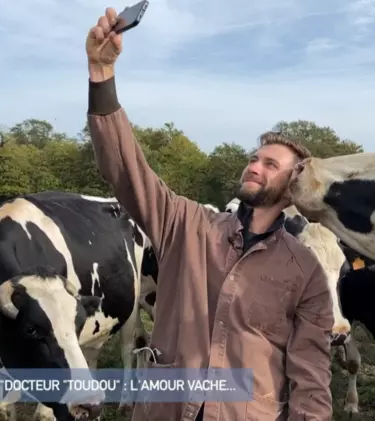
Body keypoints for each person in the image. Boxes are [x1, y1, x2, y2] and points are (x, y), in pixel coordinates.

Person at [85, 7, 334, 421]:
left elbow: (311, 373)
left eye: (270, 165)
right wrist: (101, 73)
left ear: (293, 188)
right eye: (253, 158)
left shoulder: (305, 271)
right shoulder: (188, 226)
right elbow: (126, 171)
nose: (254, 166)